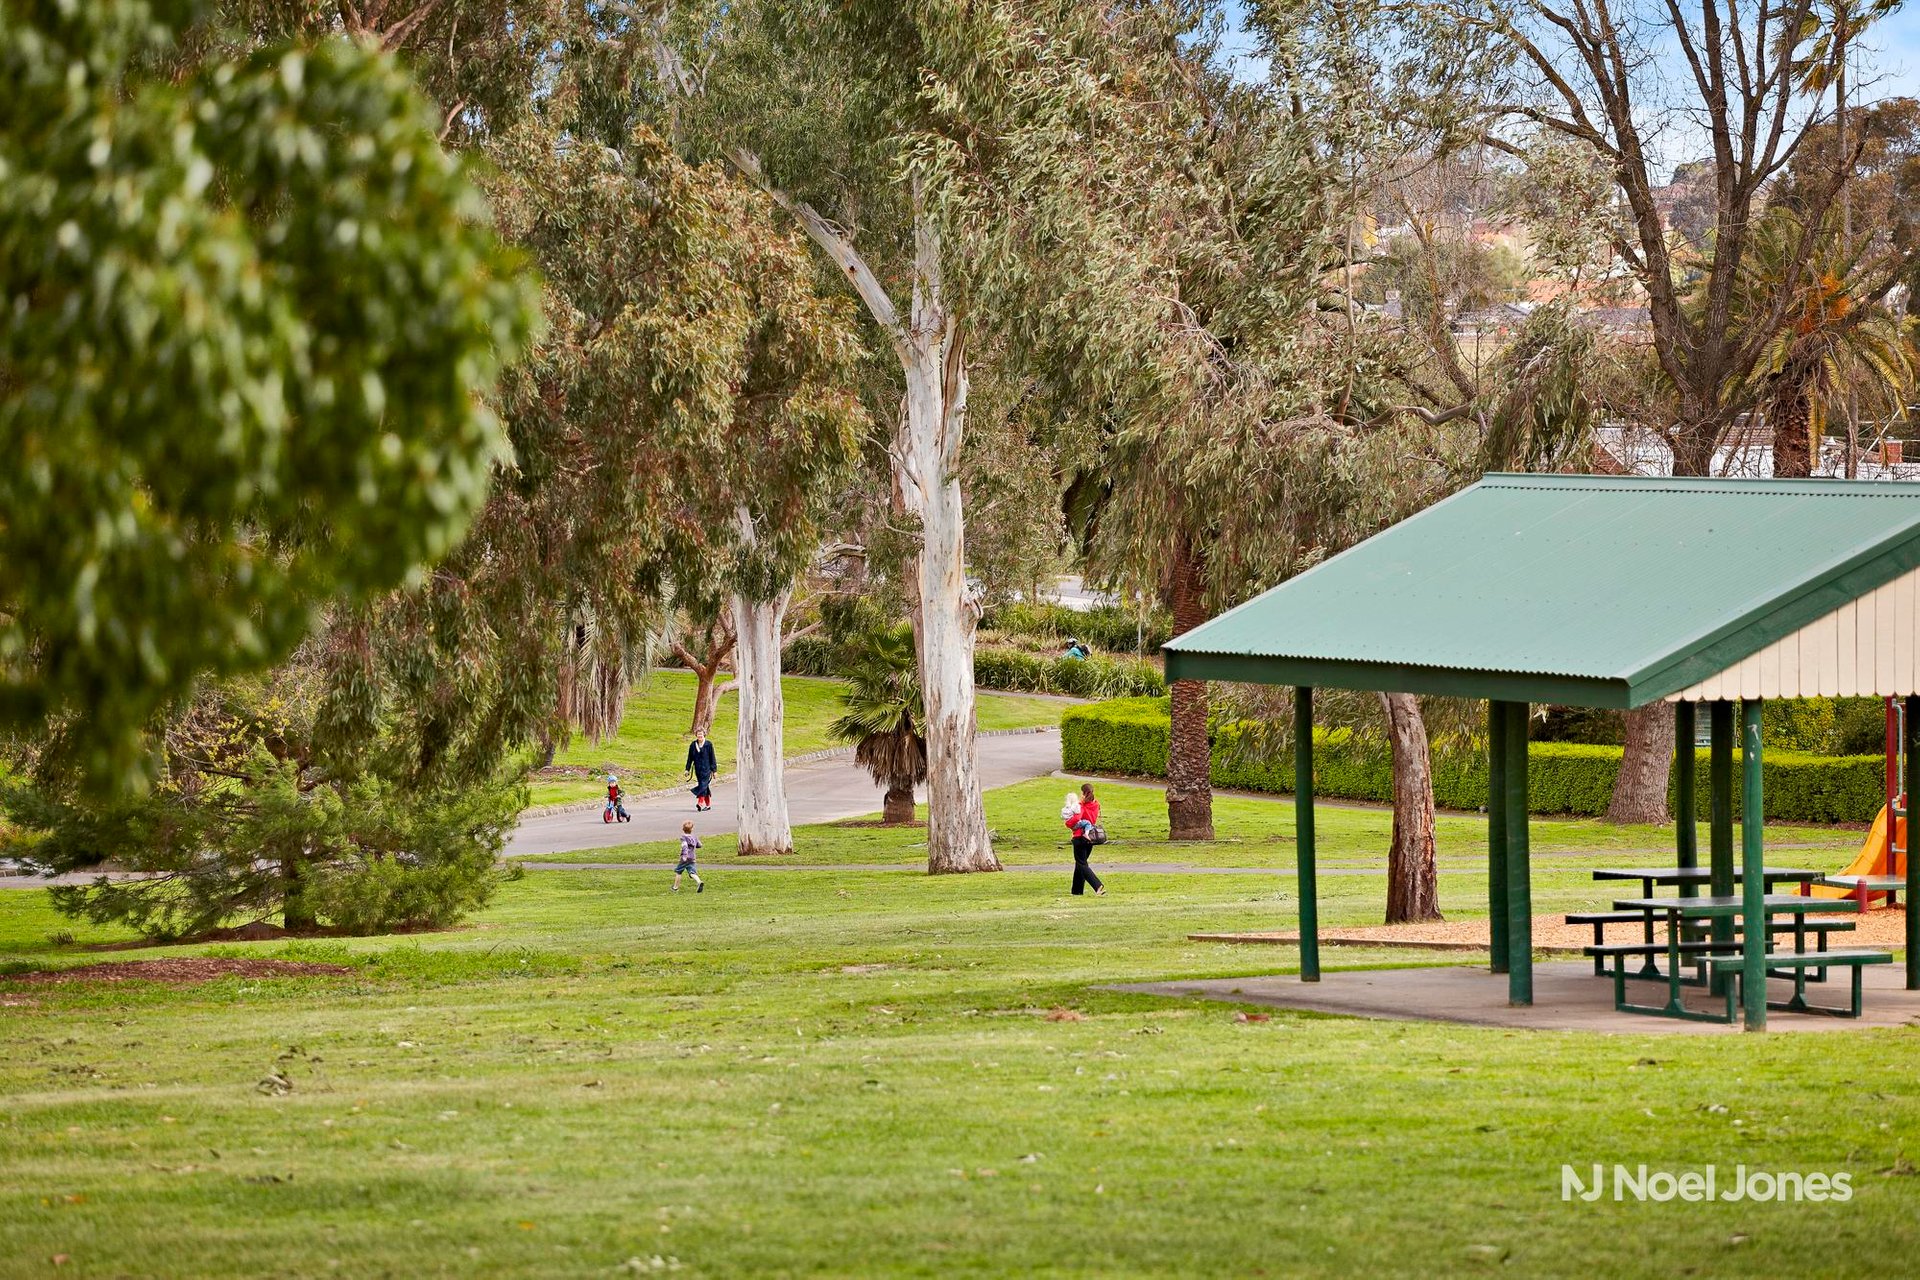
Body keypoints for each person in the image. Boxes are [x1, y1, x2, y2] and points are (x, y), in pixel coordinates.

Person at [1065, 782, 1105, 896]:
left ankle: (1097, 885)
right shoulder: (1096, 805)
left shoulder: (1081, 806)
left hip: (1079, 836)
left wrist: (1068, 823)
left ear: (1083, 793)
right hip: (1090, 837)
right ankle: (1077, 891)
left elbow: (1075, 819)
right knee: (1080, 864)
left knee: (1081, 863)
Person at [684, 731, 717, 812]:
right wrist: (687, 769)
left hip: (707, 769)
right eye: (698, 734)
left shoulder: (708, 744)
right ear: (696, 735)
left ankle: (700, 802)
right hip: (698, 769)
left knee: (703, 784)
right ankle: (708, 805)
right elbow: (690, 758)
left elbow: (712, 758)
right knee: (704, 786)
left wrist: (714, 770)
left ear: (704, 735)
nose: (700, 736)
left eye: (701, 734)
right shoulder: (693, 745)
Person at [674, 820, 705, 892]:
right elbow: (700, 845)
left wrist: (684, 856)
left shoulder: (683, 837)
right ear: (692, 829)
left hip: (685, 858)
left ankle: (675, 888)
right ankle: (699, 882)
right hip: (692, 858)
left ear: (683, 829)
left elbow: (684, 846)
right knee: (692, 872)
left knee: (679, 871)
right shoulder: (694, 837)